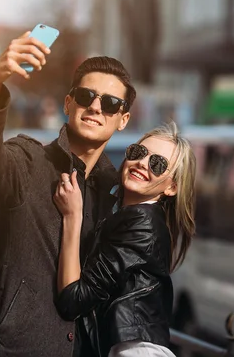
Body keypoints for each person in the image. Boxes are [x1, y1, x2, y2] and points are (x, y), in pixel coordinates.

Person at [0, 31, 136, 357]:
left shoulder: (118, 194)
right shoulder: (29, 162)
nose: (96, 107)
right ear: (68, 103)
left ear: (123, 120)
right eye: (85, 96)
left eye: (110, 103)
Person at [53, 122, 197, 357]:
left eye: (157, 164)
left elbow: (73, 300)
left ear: (172, 187)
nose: (142, 163)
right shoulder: (134, 218)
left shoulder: (141, 224)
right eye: (138, 152)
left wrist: (72, 215)